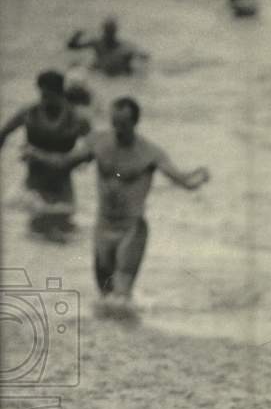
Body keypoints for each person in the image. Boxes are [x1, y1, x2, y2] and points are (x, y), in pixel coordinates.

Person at [23, 97, 209, 314]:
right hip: (103, 227)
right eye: (114, 123)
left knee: (120, 296)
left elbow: (182, 180)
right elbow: (64, 162)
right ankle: (112, 342)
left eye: (123, 124)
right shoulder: (99, 143)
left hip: (132, 227)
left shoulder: (149, 153)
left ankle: (130, 335)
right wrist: (37, 155)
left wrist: (198, 178)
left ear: (134, 123)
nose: (117, 129)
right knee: (105, 297)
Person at [0, 70, 91, 242]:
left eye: (51, 97)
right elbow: (3, 134)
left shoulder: (77, 118)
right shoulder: (29, 113)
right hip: (32, 187)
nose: (46, 102)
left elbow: (95, 147)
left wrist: (79, 160)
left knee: (64, 225)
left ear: (61, 93)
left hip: (63, 188)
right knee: (31, 230)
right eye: (43, 96)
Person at [66, 17, 149, 77]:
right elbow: (72, 47)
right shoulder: (97, 43)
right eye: (107, 31)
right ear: (104, 31)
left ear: (115, 32)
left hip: (117, 75)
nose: (108, 34)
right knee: (77, 66)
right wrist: (76, 35)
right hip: (102, 72)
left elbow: (144, 57)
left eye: (110, 31)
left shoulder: (125, 48)